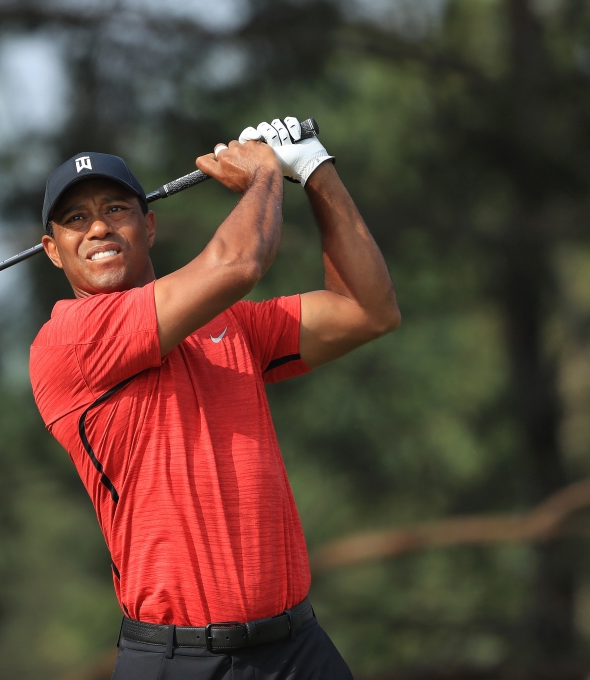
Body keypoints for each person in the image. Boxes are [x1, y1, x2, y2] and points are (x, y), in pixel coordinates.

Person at [28, 117, 400, 679]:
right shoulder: (70, 341)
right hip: (181, 662)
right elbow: (239, 263)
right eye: (77, 219)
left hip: (298, 649)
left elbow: (368, 310)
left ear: (149, 226)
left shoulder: (228, 326)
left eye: (116, 210)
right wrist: (265, 178)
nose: (98, 228)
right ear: (53, 251)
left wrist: (316, 169)